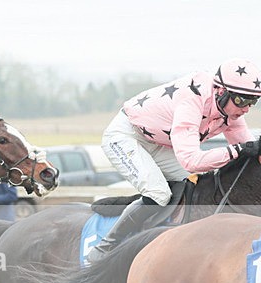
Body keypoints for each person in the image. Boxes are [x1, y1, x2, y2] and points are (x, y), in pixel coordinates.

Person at [87, 58, 261, 263]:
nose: (246, 109)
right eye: (241, 101)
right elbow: (192, 161)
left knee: (194, 184)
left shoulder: (230, 111)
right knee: (158, 193)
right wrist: (236, 150)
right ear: (221, 92)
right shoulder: (192, 100)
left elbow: (250, 151)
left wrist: (248, 149)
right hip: (126, 136)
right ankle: (106, 247)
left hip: (160, 144)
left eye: (252, 102)